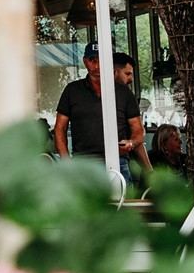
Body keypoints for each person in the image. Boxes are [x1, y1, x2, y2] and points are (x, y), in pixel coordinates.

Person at [52, 44, 149, 176]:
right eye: (92, 60)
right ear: (85, 61)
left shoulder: (124, 92)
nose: (97, 66)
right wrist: (66, 162)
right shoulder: (72, 90)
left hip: (117, 160)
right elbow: (60, 128)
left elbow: (137, 128)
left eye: (101, 60)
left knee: (121, 190)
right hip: (83, 163)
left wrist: (131, 143)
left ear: (109, 62)